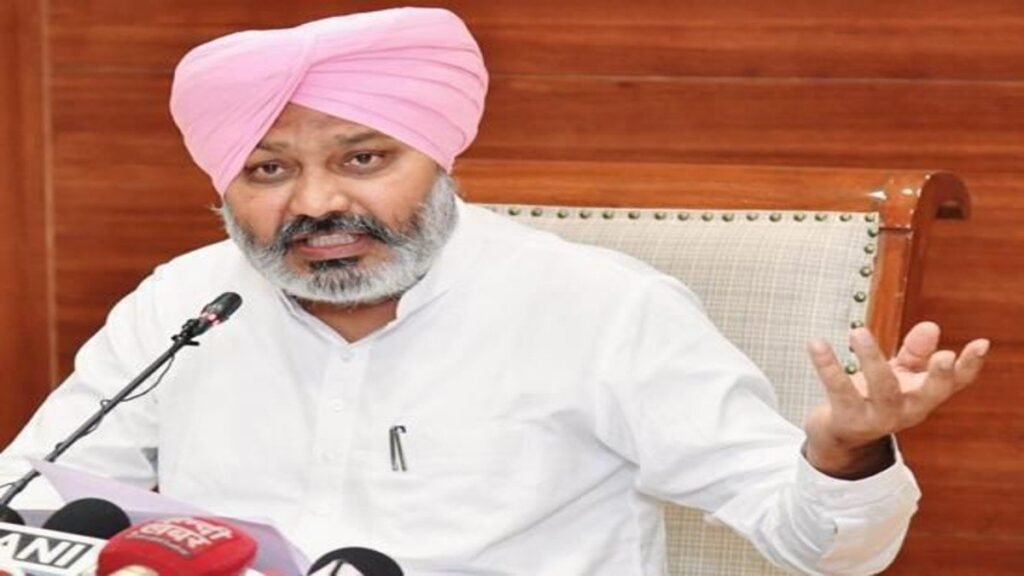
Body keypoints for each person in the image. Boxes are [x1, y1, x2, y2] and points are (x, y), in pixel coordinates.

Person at [0, 7, 988, 576]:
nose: (318, 202)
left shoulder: (599, 308)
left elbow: (823, 547)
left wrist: (845, 452)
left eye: (363, 158)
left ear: (441, 160)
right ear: (221, 190)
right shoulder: (184, 302)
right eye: (268, 171)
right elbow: (35, 502)